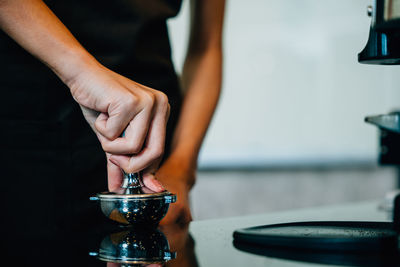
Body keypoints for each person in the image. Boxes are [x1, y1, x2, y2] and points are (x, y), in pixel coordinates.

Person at [0, 0, 225, 233]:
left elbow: (206, 48)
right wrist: (81, 74)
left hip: (155, 147)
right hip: (28, 135)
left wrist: (180, 170)